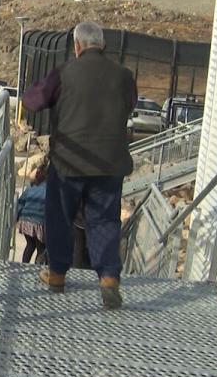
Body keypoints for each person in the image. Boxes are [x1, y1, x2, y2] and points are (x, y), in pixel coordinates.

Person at [22, 21, 136, 310]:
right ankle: (109, 278)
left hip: (69, 163)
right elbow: (130, 105)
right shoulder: (123, 75)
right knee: (105, 220)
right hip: (110, 163)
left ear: (77, 46)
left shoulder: (63, 73)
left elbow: (33, 101)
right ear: (103, 45)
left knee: (60, 216)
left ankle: (57, 274)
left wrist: (41, 84)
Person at [16, 167, 48, 263]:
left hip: (25, 220)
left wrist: (17, 216)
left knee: (30, 245)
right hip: (39, 222)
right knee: (41, 248)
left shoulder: (31, 187)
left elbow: (21, 202)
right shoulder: (50, 189)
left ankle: (24, 265)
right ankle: (37, 269)